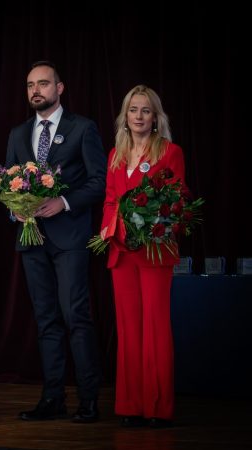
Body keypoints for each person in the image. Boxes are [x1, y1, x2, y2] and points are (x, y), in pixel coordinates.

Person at [5, 61, 107, 423]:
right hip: (31, 239)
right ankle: (53, 399)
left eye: (43, 84)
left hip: (70, 237)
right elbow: (8, 183)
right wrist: (14, 210)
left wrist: (63, 202)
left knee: (75, 316)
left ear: (59, 88)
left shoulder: (82, 128)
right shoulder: (18, 133)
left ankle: (88, 400)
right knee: (46, 319)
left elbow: (99, 181)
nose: (36, 90)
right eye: (30, 85)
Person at [100, 85, 182, 428]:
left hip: (154, 251)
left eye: (145, 110)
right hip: (122, 252)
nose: (138, 116)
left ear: (155, 117)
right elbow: (110, 200)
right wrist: (110, 229)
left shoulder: (170, 152)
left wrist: (151, 225)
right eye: (133, 110)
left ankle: (158, 407)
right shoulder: (115, 155)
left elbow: (176, 199)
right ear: (125, 116)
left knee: (155, 328)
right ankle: (130, 405)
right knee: (129, 329)